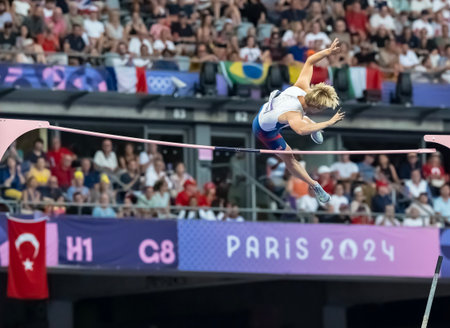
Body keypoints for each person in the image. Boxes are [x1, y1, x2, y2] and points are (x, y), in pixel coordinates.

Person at [252, 38, 344, 203]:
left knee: (305, 121)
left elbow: (309, 61)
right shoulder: (294, 114)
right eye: (321, 109)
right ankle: (314, 185)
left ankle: (314, 127)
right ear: (315, 105)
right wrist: (329, 123)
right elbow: (301, 131)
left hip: (274, 110)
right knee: (290, 158)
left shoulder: (303, 87)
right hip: (263, 129)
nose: (321, 111)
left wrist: (328, 52)